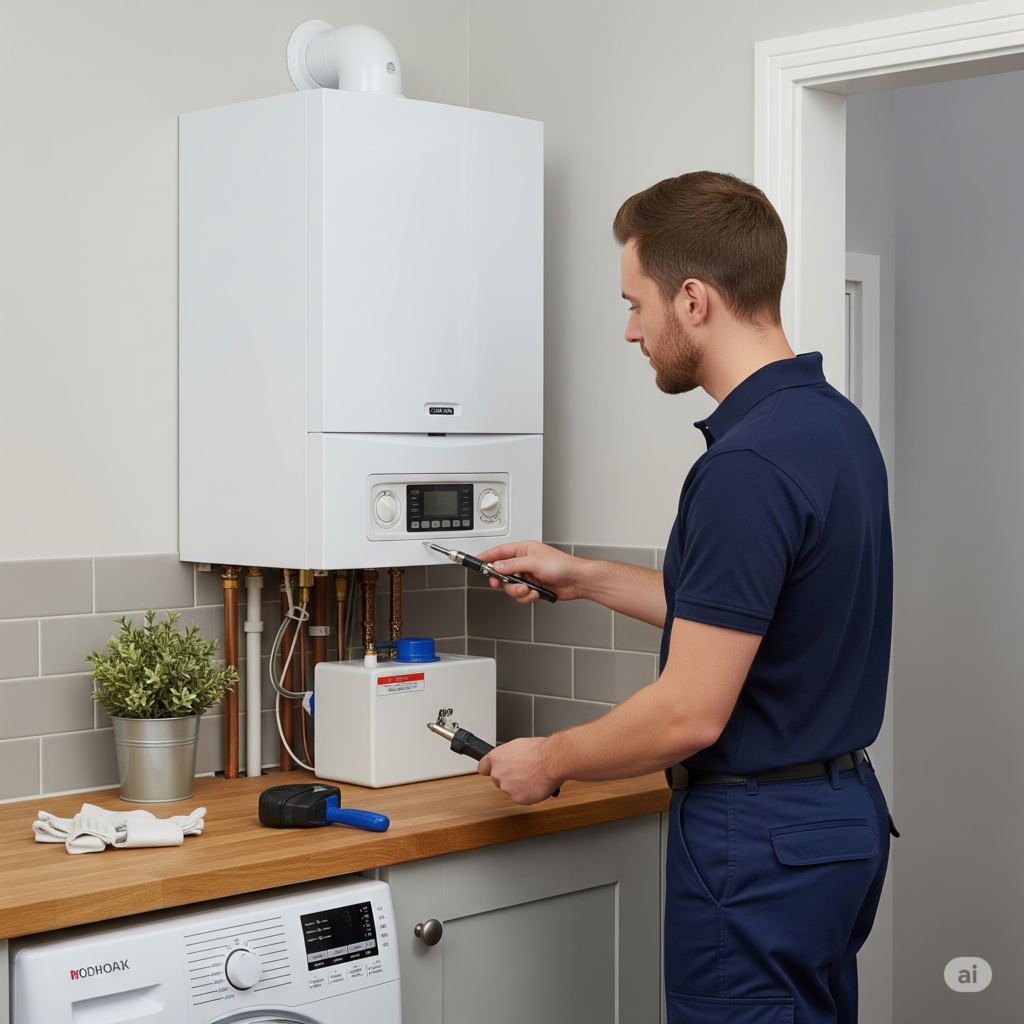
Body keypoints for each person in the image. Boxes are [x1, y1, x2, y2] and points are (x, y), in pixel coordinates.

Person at [475, 171, 894, 1024]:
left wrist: (547, 759)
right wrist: (582, 575)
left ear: (694, 300)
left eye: (638, 304)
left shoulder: (744, 466)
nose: (631, 331)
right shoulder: (833, 427)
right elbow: (747, 615)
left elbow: (689, 713)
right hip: (837, 821)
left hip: (757, 839)